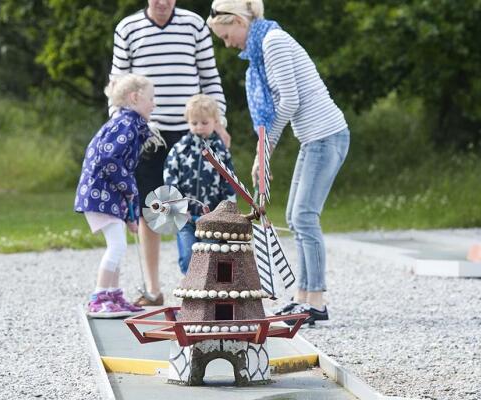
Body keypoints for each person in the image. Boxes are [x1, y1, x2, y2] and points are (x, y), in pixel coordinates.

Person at [207, 0, 350, 325]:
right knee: (294, 216)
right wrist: (263, 152)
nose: (227, 43)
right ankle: (303, 297)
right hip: (314, 138)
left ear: (239, 21)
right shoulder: (263, 48)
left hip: (326, 136)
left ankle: (316, 302)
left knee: (304, 216)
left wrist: (265, 149)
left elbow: (290, 100)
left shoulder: (273, 43)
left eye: (226, 34)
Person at [109, 0, 230, 306]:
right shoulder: (127, 28)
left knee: (196, 207)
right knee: (153, 211)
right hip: (148, 136)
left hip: (193, 133)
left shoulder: (194, 25)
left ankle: (197, 286)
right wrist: (120, 130)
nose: (162, 2)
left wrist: (219, 123)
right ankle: (153, 288)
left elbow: (210, 78)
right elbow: (117, 86)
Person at [74, 74, 162, 318]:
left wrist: (130, 209)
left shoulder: (130, 124)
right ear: (135, 97)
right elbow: (107, 159)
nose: (154, 104)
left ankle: (113, 295)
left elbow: (120, 165)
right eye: (151, 98)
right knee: (117, 245)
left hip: (105, 195)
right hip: (99, 195)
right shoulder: (126, 124)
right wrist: (131, 189)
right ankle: (99, 297)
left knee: (118, 244)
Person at [163, 94, 236, 275]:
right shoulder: (180, 148)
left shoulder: (220, 151)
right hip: (185, 216)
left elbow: (229, 182)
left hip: (211, 216)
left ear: (215, 121)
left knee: (209, 256)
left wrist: (225, 212)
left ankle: (206, 295)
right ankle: (191, 290)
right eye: (194, 123)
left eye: (204, 123)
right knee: (188, 255)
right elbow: (170, 177)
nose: (199, 128)